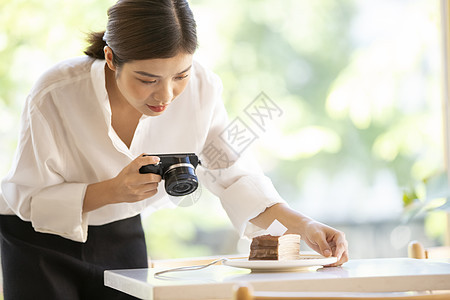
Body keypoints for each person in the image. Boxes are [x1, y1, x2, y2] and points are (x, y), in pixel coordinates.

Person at [0, 0, 348, 299]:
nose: (165, 95)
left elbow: (233, 175)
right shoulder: (56, 92)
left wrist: (305, 226)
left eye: (180, 75)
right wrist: (112, 190)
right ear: (110, 57)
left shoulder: (203, 90)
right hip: (36, 239)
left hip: (121, 231)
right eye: (147, 79)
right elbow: (28, 198)